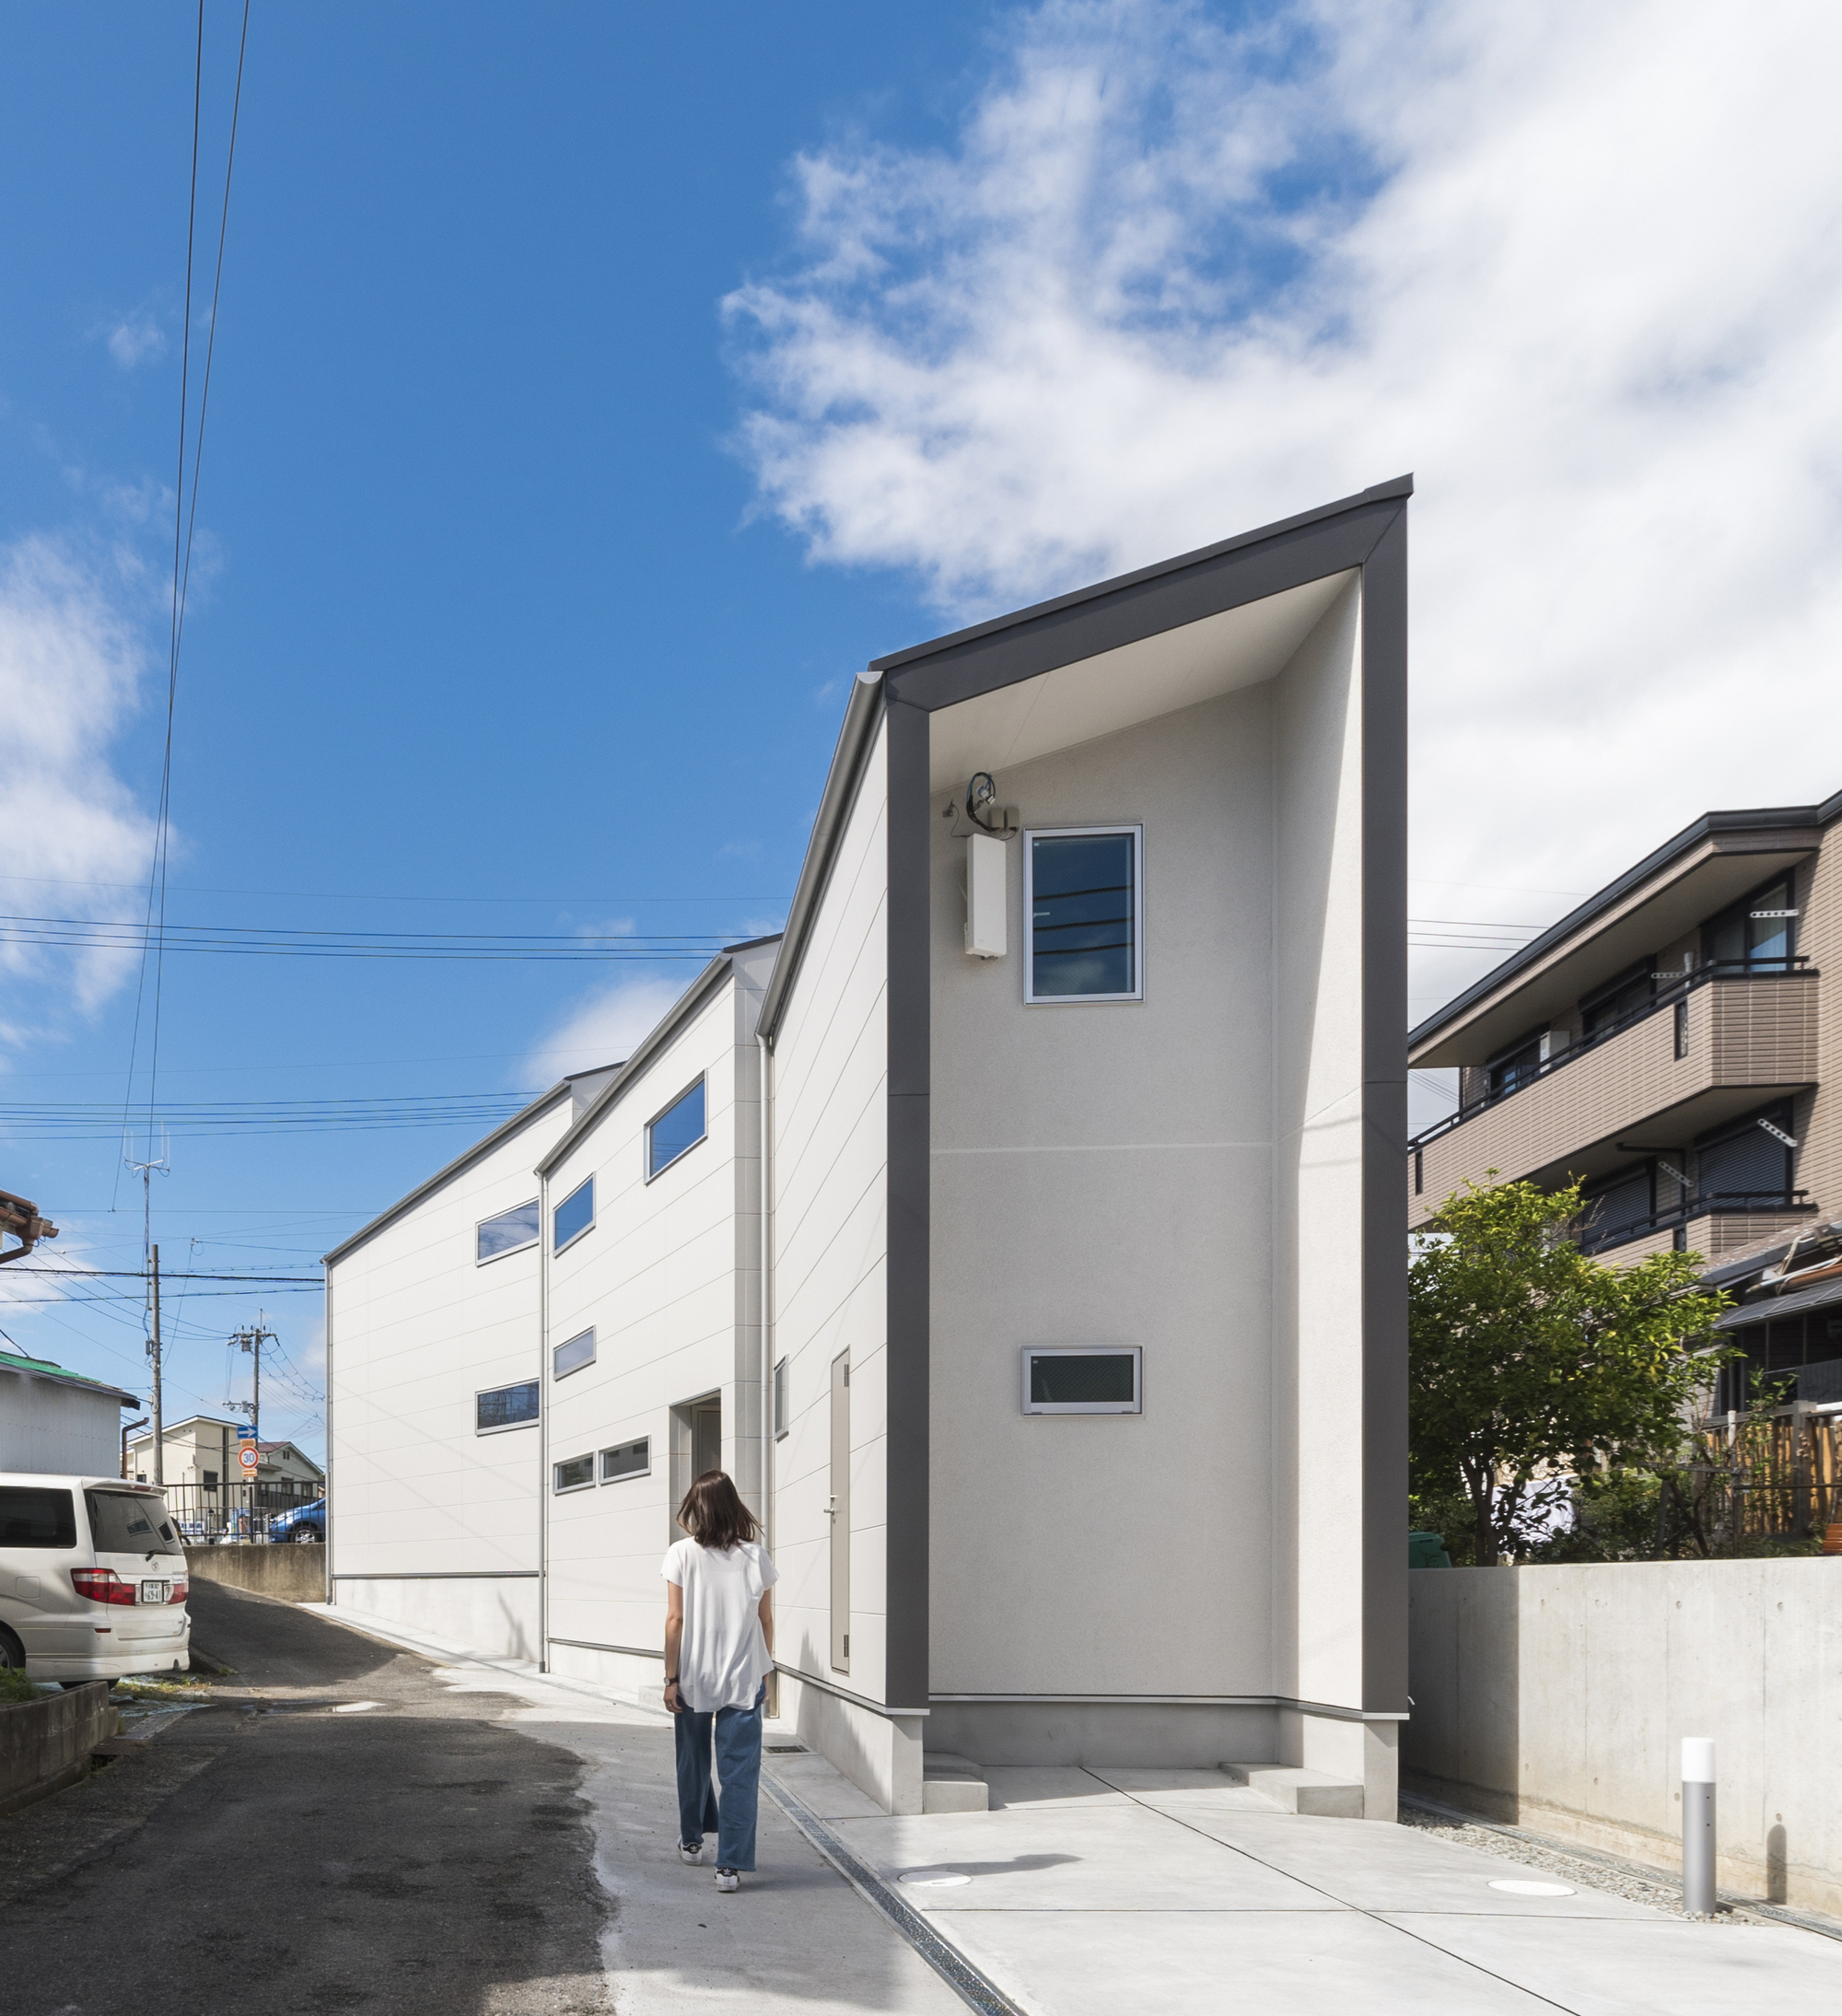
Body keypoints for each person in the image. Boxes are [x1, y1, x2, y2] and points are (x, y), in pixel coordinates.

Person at [662, 1469, 777, 1892]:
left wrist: (670, 1678)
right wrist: (767, 1671)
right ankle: (728, 1867)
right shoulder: (755, 1556)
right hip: (745, 1679)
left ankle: (692, 1843)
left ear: (697, 1508)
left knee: (692, 1763)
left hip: (694, 1676)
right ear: (733, 1506)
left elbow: (675, 1619)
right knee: (740, 1775)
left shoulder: (680, 1553)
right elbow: (765, 1621)